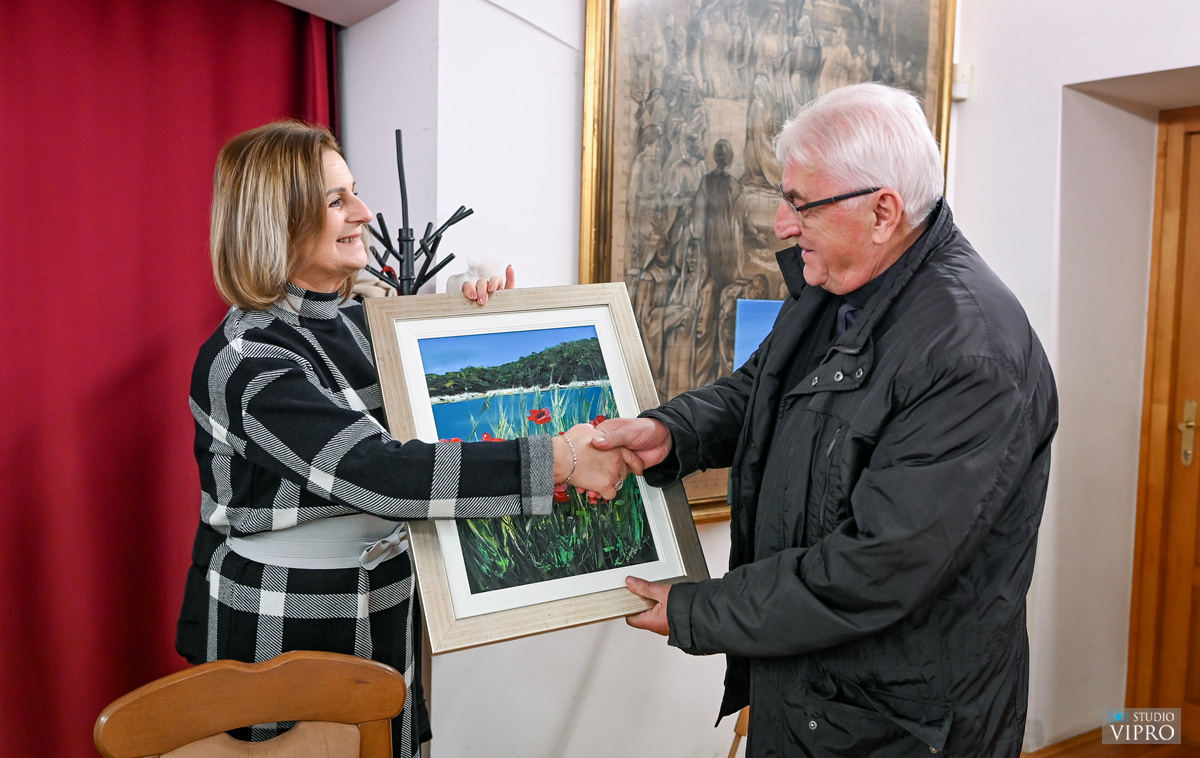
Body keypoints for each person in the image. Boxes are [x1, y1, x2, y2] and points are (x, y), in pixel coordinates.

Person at [593, 83, 1058, 756]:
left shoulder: (971, 353)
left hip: (898, 729)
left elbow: (879, 566)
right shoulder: (839, 282)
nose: (781, 225)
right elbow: (763, 390)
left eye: (801, 203)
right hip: (811, 697)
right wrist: (673, 432)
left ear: (882, 212)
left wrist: (700, 610)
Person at [175, 121, 626, 758]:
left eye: (354, 192)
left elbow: (422, 421)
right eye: (336, 200)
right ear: (276, 219)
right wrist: (561, 458)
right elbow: (378, 472)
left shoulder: (366, 319)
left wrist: (466, 317)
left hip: (384, 600)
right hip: (282, 621)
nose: (363, 212)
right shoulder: (245, 358)